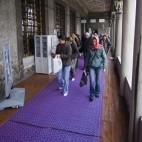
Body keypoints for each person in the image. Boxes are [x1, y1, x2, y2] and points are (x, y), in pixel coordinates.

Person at [84, 35, 107, 102]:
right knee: (92, 81)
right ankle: (92, 95)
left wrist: (104, 67)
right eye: (93, 41)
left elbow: (105, 58)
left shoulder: (101, 48)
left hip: (99, 67)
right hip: (91, 67)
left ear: (97, 41)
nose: (94, 43)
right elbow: (87, 58)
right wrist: (85, 66)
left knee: (97, 81)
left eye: (95, 41)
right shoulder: (90, 48)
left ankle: (97, 92)